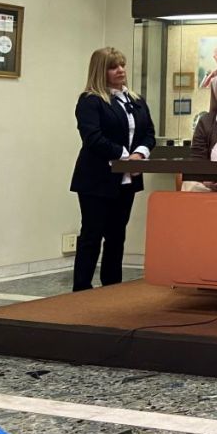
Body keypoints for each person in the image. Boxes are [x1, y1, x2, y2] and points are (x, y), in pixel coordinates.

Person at [70, 47, 156, 292]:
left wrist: (139, 155)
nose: (121, 70)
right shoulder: (90, 100)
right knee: (92, 236)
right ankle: (82, 288)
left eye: (122, 65)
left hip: (126, 180)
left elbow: (149, 134)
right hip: (96, 179)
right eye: (114, 66)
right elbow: (92, 137)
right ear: (101, 71)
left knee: (117, 235)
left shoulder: (135, 100)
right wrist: (124, 156)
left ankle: (112, 288)